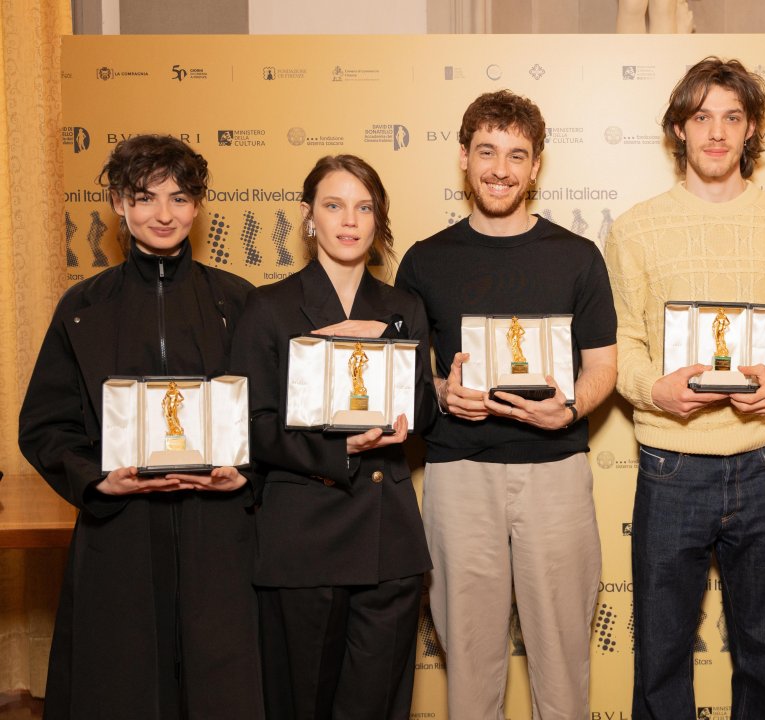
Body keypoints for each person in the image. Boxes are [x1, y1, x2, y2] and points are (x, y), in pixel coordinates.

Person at [603, 57, 765, 718]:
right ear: (678, 129)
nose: (717, 132)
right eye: (701, 117)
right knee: (662, 650)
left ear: (751, 127)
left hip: (763, 460)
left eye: (732, 116)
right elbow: (622, 341)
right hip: (671, 464)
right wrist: (653, 389)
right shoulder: (636, 227)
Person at [18, 134, 264, 718]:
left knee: (221, 690)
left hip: (218, 536)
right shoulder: (83, 306)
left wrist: (245, 474)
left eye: (179, 198)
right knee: (119, 691)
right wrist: (97, 482)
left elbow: (268, 417)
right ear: (118, 204)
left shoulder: (240, 301)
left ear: (198, 207)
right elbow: (45, 424)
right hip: (119, 535)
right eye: (145, 197)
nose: (163, 214)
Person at [395, 90, 617, 719]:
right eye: (487, 151)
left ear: (536, 165)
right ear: (463, 157)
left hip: (556, 474)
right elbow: (410, 379)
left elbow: (602, 368)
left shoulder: (577, 256)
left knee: (565, 660)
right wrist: (442, 392)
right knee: (468, 663)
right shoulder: (424, 260)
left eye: (517, 155)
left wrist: (570, 410)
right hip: (458, 476)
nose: (501, 168)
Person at [229, 155, 433, 719]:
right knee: (302, 705)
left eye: (364, 207)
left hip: (387, 541)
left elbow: (418, 420)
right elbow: (250, 425)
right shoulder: (268, 308)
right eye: (334, 205)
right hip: (303, 542)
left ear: (378, 219)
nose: (350, 220)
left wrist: (437, 391)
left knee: (377, 708)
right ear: (308, 216)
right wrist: (337, 448)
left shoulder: (402, 308)